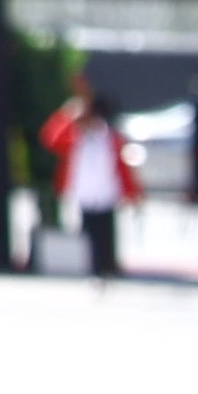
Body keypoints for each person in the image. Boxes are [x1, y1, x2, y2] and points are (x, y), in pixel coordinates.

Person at [46, 87, 134, 286]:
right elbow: (50, 139)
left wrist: (131, 192)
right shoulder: (75, 137)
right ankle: (93, 269)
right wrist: (67, 115)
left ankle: (109, 267)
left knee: (107, 231)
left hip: (106, 192)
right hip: (84, 193)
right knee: (89, 232)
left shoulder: (109, 137)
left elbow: (122, 167)